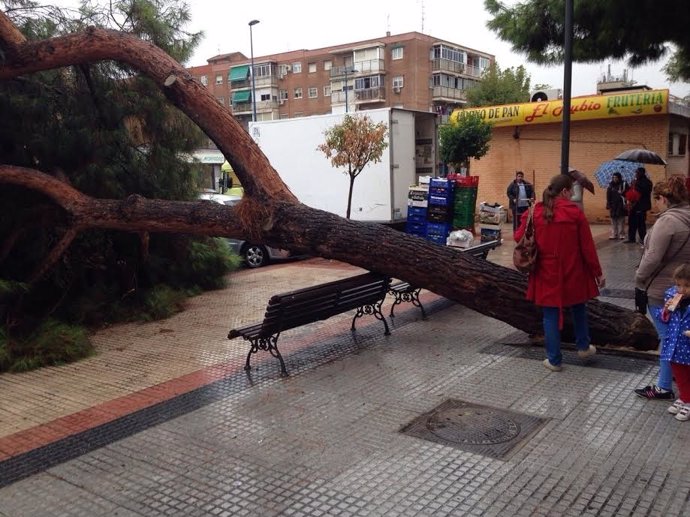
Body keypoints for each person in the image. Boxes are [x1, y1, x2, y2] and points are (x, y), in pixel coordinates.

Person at [515, 174, 605, 371]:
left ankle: (554, 360)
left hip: (545, 270)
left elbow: (518, 236)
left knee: (550, 315)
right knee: (579, 307)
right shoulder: (575, 213)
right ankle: (583, 346)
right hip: (574, 268)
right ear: (564, 191)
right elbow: (587, 247)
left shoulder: (535, 212)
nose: (573, 194)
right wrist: (597, 272)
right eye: (571, 190)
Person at [633, 176, 690, 400]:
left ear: (664, 199)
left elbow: (653, 258)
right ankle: (678, 374)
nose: (655, 205)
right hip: (685, 287)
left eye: (656, 200)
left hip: (662, 291)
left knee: (668, 339)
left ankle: (664, 386)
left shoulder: (667, 222)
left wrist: (639, 277)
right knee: (680, 336)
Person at [657, 264, 690, 421]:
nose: (681, 290)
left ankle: (688, 401)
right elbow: (664, 319)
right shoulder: (671, 296)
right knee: (679, 372)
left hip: (688, 344)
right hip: (675, 345)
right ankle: (684, 397)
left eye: (687, 286)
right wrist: (665, 310)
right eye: (678, 285)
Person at [625, 167, 653, 243]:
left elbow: (645, 191)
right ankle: (631, 238)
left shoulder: (647, 182)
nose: (636, 174)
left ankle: (643, 239)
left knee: (641, 223)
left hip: (641, 206)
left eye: (637, 173)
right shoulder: (635, 181)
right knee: (631, 223)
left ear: (642, 173)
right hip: (633, 206)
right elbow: (630, 191)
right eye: (636, 172)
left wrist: (636, 186)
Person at [606, 172, 629, 239]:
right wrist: (608, 204)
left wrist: (622, 193)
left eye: (616, 177)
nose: (614, 179)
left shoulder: (624, 184)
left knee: (621, 220)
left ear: (619, 178)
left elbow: (628, 194)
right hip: (613, 205)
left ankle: (621, 234)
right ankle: (614, 234)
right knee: (613, 220)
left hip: (621, 204)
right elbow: (608, 195)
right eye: (613, 177)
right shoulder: (610, 185)